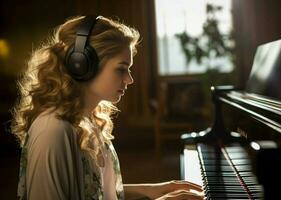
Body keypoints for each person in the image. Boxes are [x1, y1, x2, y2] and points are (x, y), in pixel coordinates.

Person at [11, 15, 204, 200]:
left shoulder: (87, 120)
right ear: (82, 65)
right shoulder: (52, 132)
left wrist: (151, 190)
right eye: (121, 68)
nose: (129, 79)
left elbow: (97, 192)